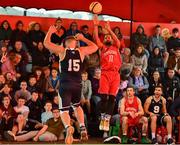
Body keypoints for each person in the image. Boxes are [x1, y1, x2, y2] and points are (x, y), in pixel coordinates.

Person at [43, 25, 98, 144]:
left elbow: (46, 43)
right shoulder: (81, 51)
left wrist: (50, 31)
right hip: (78, 85)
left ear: (65, 44)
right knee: (77, 106)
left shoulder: (62, 51)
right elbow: (95, 47)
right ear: (75, 44)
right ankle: (82, 126)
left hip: (65, 85)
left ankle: (68, 127)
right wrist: (83, 38)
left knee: (64, 111)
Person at [93, 14, 122, 137]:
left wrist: (109, 29)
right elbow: (96, 38)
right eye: (106, 37)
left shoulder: (116, 46)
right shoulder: (102, 48)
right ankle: (103, 116)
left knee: (112, 99)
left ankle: (106, 120)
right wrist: (95, 26)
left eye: (109, 37)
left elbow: (116, 39)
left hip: (115, 75)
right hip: (105, 74)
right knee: (104, 98)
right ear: (104, 40)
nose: (108, 38)